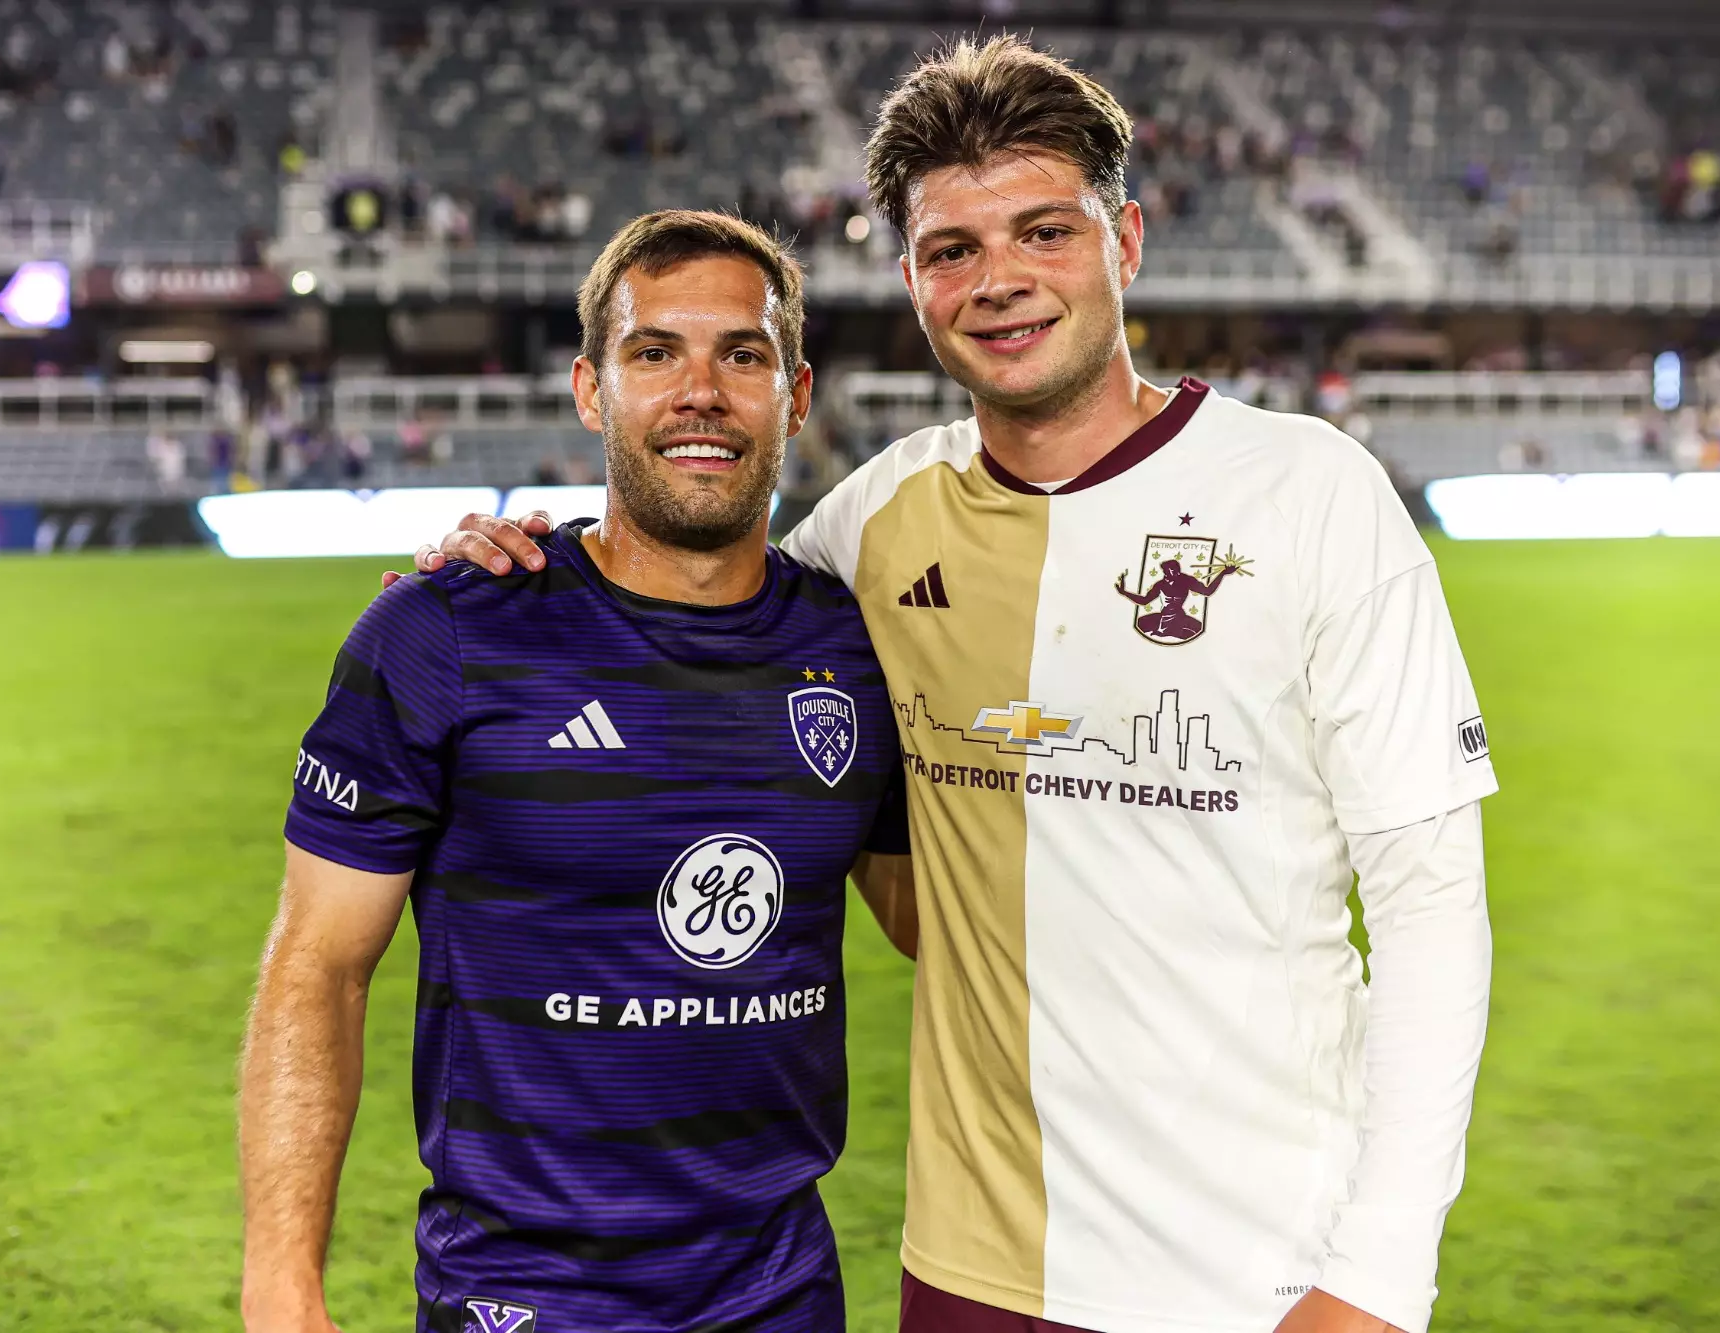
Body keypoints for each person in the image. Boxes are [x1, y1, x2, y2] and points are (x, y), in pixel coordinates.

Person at [418, 36, 1496, 1333]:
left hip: (1264, 1272)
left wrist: (1376, 1275)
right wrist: (503, 558)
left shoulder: (1312, 493)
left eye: (1042, 231)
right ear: (915, 282)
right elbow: (673, 575)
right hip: (972, 1271)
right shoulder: (874, 526)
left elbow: (1432, 906)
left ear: (1127, 240)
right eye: (951, 251)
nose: (998, 281)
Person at [239, 211, 916, 1333]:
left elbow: (930, 920)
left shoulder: (853, 645)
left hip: (783, 1294)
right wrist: (280, 1290)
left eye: (741, 355)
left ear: (796, 399)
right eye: (654, 353)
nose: (700, 390)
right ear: (591, 391)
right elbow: (317, 967)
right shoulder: (444, 632)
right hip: (524, 1298)